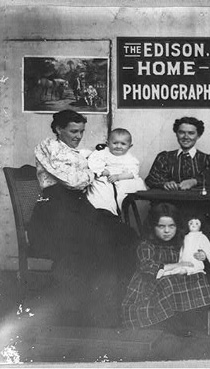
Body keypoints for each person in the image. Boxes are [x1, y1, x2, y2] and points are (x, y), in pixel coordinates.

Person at [27, 109, 138, 327]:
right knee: (97, 241)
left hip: (78, 206)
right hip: (53, 211)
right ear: (59, 129)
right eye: (73, 131)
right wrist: (94, 172)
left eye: (82, 131)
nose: (78, 136)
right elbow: (73, 181)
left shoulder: (81, 153)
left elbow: (100, 168)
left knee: (124, 234)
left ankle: (115, 306)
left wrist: (95, 166)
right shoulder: (48, 147)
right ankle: (86, 313)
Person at [122, 203, 210, 337]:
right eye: (161, 226)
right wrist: (177, 265)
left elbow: (191, 257)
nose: (167, 231)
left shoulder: (180, 243)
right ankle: (169, 323)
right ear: (153, 227)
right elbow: (148, 268)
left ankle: (191, 319)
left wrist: (201, 255)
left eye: (171, 226)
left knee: (197, 277)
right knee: (168, 282)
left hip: (174, 279)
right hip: (149, 287)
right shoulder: (147, 245)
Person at [145, 116, 210, 191]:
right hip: (168, 201)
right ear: (176, 134)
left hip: (200, 201)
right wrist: (165, 183)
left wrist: (194, 181)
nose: (186, 137)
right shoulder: (164, 157)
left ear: (198, 136)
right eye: (181, 132)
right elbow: (151, 179)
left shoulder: (207, 160)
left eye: (191, 133)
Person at [87, 128, 147, 216]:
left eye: (123, 144)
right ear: (108, 143)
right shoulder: (103, 153)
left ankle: (121, 212)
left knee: (125, 193)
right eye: (115, 143)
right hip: (107, 178)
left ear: (130, 146)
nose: (118, 146)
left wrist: (118, 177)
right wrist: (102, 171)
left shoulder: (130, 158)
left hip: (122, 178)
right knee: (101, 192)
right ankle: (106, 211)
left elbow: (132, 173)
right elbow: (93, 161)